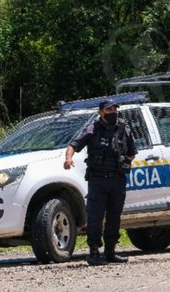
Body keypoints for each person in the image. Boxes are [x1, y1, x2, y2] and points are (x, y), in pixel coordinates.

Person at [64, 99, 137, 266]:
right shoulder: (92, 129)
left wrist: (124, 159)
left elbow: (132, 152)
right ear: (100, 112)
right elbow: (73, 145)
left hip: (117, 180)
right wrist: (68, 159)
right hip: (97, 180)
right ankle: (94, 253)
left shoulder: (123, 128)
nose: (112, 112)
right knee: (95, 218)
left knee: (114, 218)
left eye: (114, 109)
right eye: (108, 110)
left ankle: (110, 252)